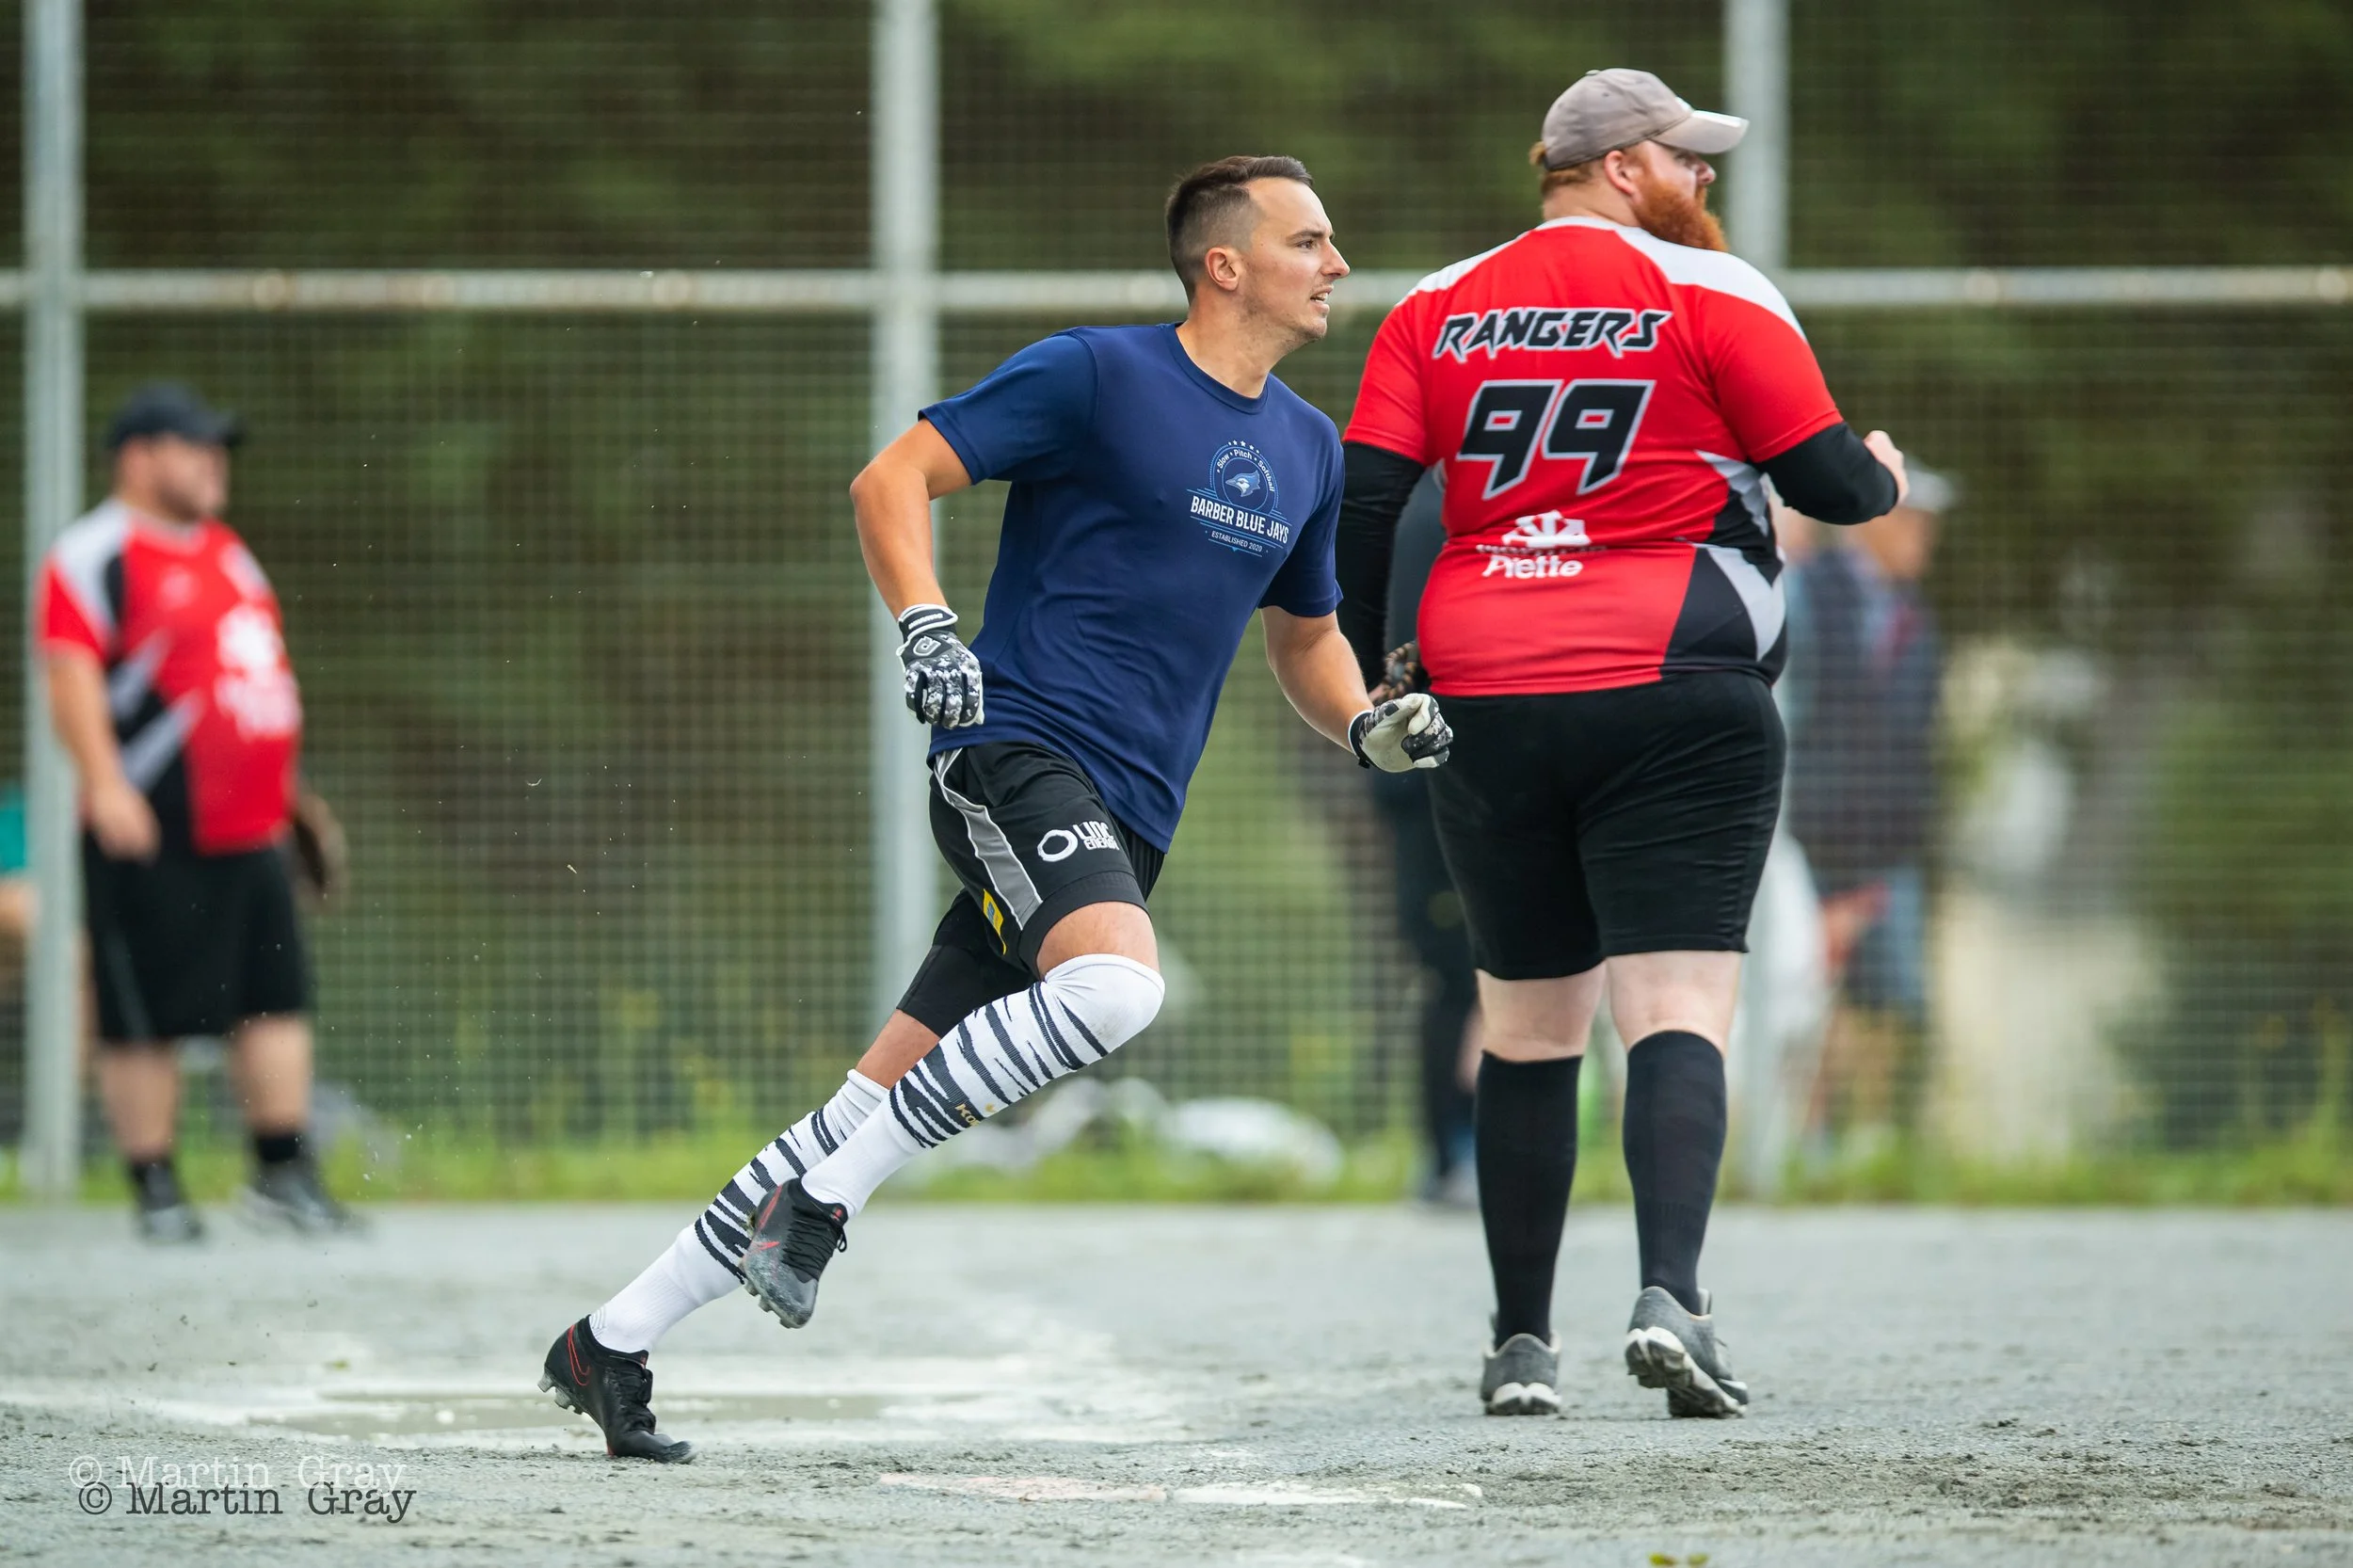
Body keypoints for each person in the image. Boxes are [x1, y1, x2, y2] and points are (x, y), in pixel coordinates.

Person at [539, 154, 1453, 1463]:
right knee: (1120, 991)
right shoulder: (1095, 372)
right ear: (1225, 265)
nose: (1338, 263)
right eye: (1311, 240)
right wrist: (926, 625)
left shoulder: (1308, 447)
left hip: (1129, 810)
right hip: (1014, 755)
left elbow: (1306, 641)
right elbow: (889, 481)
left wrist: (1367, 722)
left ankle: (609, 1341)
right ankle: (826, 1206)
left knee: (875, 1093)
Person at [1335, 68, 1906, 1418]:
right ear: (1624, 169)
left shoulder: (1434, 303)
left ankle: (1521, 1344)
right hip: (1676, 682)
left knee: (1527, 1025)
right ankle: (1672, 1299)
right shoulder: (1716, 291)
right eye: (1685, 159)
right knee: (1679, 1006)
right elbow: (1830, 483)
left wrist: (1369, 669)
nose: (1703, 180)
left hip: (1490, 690)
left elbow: (1362, 508)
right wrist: (1878, 468)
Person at [37, 382, 357, 1243]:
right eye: (193, 446)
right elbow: (68, 672)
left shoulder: (227, 553)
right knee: (146, 1010)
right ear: (138, 456)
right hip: (153, 821)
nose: (214, 462)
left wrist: (294, 801)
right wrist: (104, 782)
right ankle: (156, 1186)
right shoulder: (96, 551)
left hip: (251, 825)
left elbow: (247, 687)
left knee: (274, 999)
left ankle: (281, 1173)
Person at [1784, 466, 1954, 1138]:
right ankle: (1808, 1142)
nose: (1925, 540)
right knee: (1806, 997)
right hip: (1811, 840)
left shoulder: (1918, 623)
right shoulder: (1807, 596)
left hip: (1885, 848)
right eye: (1915, 521)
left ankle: (1869, 1147)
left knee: (1888, 999)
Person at [1366, 472, 1481, 1206]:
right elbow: (1402, 655)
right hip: (1432, 786)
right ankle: (1449, 1156)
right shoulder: (1427, 516)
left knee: (1493, 975)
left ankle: (1478, 1147)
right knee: (1456, 975)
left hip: (1471, 783)